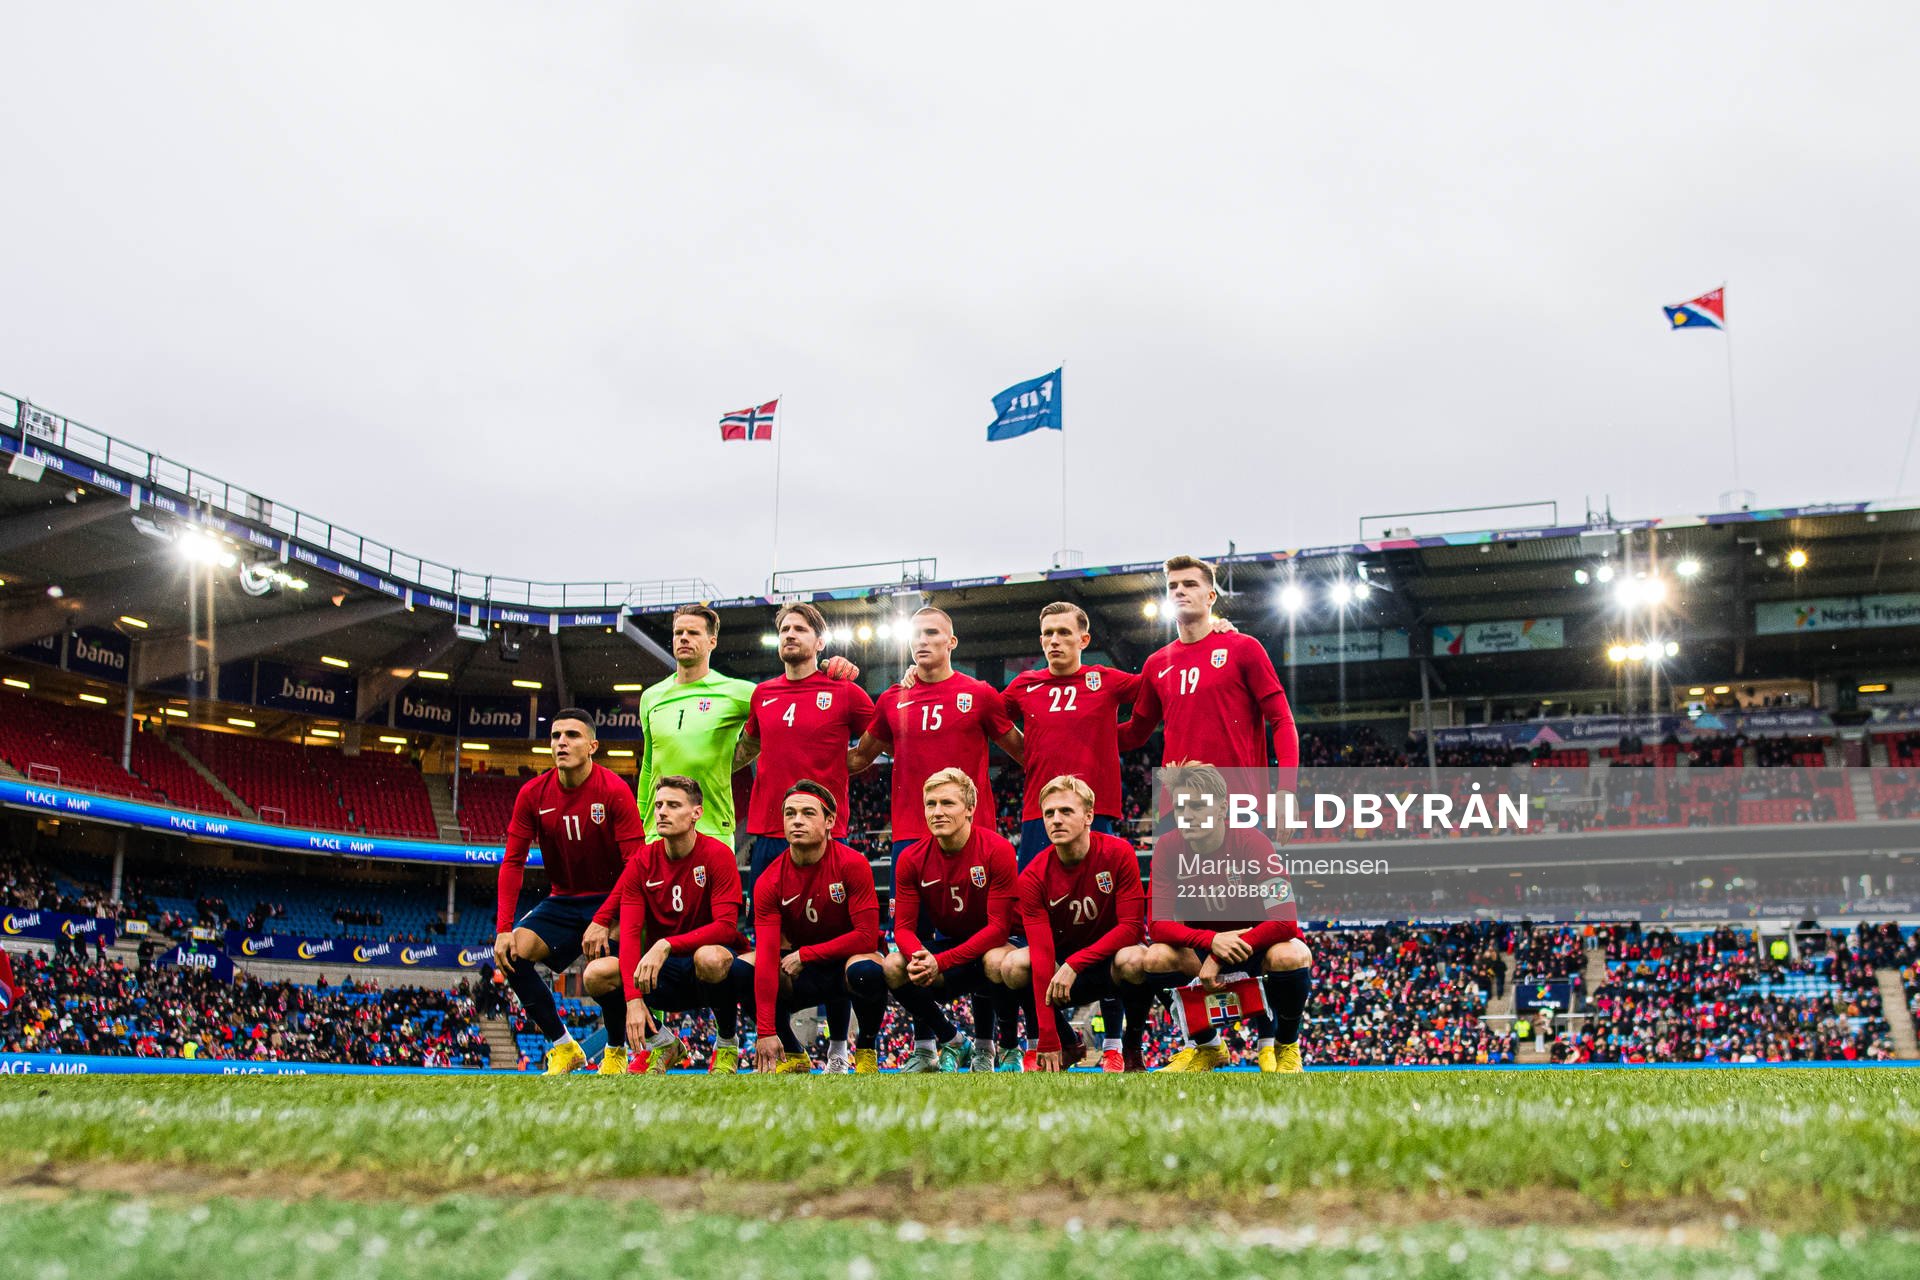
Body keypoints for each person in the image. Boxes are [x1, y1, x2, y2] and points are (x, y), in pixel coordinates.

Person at [1120, 554, 1310, 1071]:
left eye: (1190, 585)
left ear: (1211, 596)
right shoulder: (1157, 665)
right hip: (1176, 814)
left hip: (1240, 807)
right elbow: (1132, 734)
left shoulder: (1242, 648)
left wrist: (1287, 792)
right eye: (1172, 585)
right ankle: (1205, 1045)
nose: (1179, 591)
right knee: (1170, 941)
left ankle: (1275, 1041)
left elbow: (1282, 720)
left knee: (1263, 927)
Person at [849, 605, 1022, 1065]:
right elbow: (858, 757)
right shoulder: (892, 700)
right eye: (915, 635)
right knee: (913, 943)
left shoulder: (979, 694)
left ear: (952, 643)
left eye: (932, 633)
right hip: (909, 834)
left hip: (975, 834)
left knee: (986, 939)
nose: (922, 641)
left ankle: (986, 1046)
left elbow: (1022, 749)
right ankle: (929, 1046)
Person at [1002, 601, 1144, 1070]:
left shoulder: (1106, 680)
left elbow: (1157, 695)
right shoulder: (1024, 686)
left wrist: (1115, 737)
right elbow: (985, 717)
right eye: (1046, 634)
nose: (1054, 641)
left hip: (1095, 814)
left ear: (1084, 639)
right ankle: (1059, 1037)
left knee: (1106, 928)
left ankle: (1115, 1047)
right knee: (1033, 931)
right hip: (1035, 819)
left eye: (1063, 632)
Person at [1115, 762, 1312, 1073]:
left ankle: (1286, 1047)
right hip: (1205, 952)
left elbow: (1286, 920)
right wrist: (1211, 942)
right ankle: (1208, 1047)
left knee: (1292, 953)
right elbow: (1158, 924)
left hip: (1256, 951)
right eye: (1181, 807)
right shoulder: (1167, 847)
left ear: (1222, 808)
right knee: (1154, 957)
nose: (1188, 815)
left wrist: (1219, 954)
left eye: (1198, 805)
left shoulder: (1254, 842)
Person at [493, 709, 647, 1076]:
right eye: (556, 735)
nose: (561, 742)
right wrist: (502, 927)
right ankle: (564, 1047)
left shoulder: (613, 790)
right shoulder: (533, 793)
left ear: (593, 745)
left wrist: (603, 918)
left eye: (572, 735)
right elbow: (512, 862)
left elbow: (637, 865)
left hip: (613, 898)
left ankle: (614, 1050)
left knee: (600, 972)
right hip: (564, 899)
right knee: (511, 952)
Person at [580, 776, 749, 1074]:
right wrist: (633, 1000)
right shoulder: (642, 862)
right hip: (662, 973)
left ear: (696, 813)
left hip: (708, 971)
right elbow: (630, 934)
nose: (661, 812)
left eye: (673, 805)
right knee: (596, 974)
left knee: (710, 957)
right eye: (658, 805)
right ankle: (662, 1041)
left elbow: (726, 928)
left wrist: (667, 944)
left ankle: (726, 1045)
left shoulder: (717, 855)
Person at [995, 775, 1152, 1071]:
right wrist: (1049, 1037)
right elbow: (1041, 953)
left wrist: (1076, 963)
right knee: (1012, 965)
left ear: (1088, 816)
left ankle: (1131, 1048)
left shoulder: (1119, 854)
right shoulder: (1032, 876)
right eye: (1049, 813)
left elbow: (1132, 928)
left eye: (1066, 811)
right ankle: (1069, 1043)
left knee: (1137, 958)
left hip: (1106, 964)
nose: (1056, 820)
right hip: (1060, 974)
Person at [744, 781, 887, 1074]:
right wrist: (765, 1031)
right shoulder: (769, 881)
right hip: (802, 971)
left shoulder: (852, 864)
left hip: (844, 961)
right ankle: (794, 1054)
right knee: (742, 970)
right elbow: (769, 954)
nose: (797, 820)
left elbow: (867, 935)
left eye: (808, 813)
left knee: (867, 973)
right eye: (790, 813)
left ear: (829, 821)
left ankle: (865, 1049)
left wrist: (807, 954)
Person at [882, 768, 1018, 1071]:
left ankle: (1005, 1048)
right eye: (931, 804)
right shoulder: (911, 858)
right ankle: (953, 1039)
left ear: (970, 809)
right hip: (950, 946)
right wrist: (919, 956)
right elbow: (902, 928)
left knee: (996, 960)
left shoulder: (997, 848)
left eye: (947, 803)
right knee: (892, 965)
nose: (937, 812)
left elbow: (998, 929)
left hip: (994, 944)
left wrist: (939, 962)